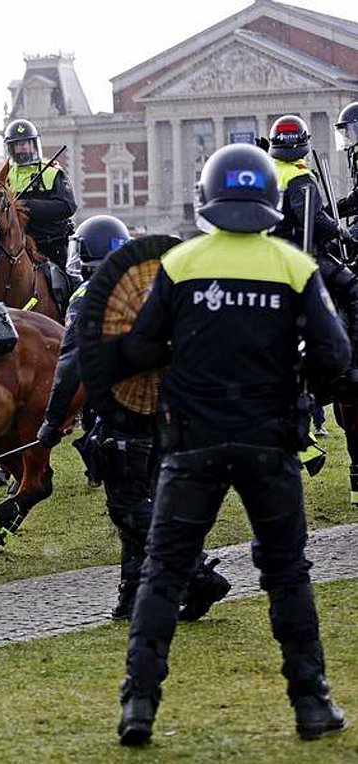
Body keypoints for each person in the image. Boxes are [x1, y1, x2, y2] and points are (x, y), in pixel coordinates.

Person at [114, 144, 350, 746]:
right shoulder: (296, 267)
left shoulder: (182, 263)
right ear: (271, 200)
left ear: (206, 199)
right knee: (287, 573)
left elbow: (138, 350)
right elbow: (337, 358)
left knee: (163, 573)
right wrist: (302, 383)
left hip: (191, 443)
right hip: (271, 443)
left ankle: (139, 705)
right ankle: (311, 703)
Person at [36, 215, 230, 621]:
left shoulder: (89, 296)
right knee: (145, 504)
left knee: (128, 508)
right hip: (168, 413)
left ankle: (195, 572)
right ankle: (132, 596)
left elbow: (71, 365)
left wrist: (53, 421)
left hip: (122, 415)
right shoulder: (157, 287)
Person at [264, 114, 358, 395]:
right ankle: (352, 367)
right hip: (303, 254)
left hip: (272, 253)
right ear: (304, 143)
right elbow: (313, 220)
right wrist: (340, 233)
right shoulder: (300, 176)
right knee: (354, 289)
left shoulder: (269, 172)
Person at [3, 118, 78, 276]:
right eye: (18, 145)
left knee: (66, 283)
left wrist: (28, 205)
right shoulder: (5, 177)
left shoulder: (51, 172)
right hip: (16, 247)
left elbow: (68, 206)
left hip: (51, 245)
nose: (23, 149)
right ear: (11, 148)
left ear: (34, 144)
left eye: (26, 144)